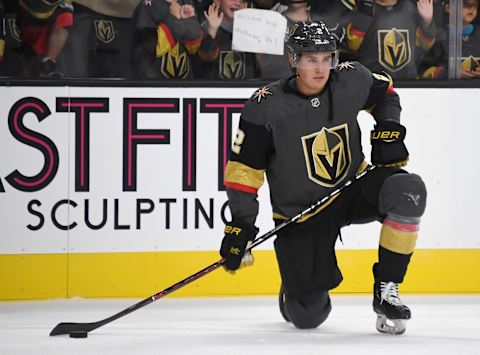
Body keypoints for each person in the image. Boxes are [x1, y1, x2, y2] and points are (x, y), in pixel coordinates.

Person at [220, 21, 427, 335]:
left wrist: (388, 129)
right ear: (293, 59)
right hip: (301, 213)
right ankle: (293, 287)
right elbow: (243, 171)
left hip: (352, 187)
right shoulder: (265, 106)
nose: (321, 68)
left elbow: (385, 92)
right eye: (311, 59)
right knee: (308, 317)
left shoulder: (350, 78)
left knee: (408, 189)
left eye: (327, 58)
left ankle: (387, 289)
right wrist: (241, 224)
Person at [346, 0, 436, 79]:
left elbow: (425, 45)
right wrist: (363, 15)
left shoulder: (410, 8)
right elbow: (353, 45)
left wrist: (427, 21)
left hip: (408, 81)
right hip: (373, 81)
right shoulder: (365, 7)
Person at [257, 0, 346, 79]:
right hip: (277, 80)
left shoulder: (327, 26)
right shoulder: (270, 24)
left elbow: (336, 55)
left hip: (317, 82)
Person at [132, 0, 203, 79]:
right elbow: (148, 50)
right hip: (155, 85)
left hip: (185, 86)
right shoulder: (147, 7)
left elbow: (194, 48)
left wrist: (190, 21)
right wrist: (173, 18)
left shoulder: (187, 3)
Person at [196, 0, 260, 79]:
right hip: (213, 88)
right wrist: (212, 31)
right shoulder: (205, 28)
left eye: (243, 0)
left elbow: (259, 68)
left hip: (247, 89)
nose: (237, 3)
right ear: (218, 1)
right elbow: (203, 61)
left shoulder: (251, 32)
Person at [421, 0, 480, 79]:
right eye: (465, 4)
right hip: (448, 89)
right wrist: (449, 73)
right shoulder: (440, 37)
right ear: (448, 8)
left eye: (475, 5)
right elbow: (424, 71)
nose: (471, 8)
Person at [16, 0, 74, 76]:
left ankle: (48, 64)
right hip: (28, 10)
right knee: (28, 53)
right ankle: (22, 81)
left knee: (65, 15)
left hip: (57, 7)